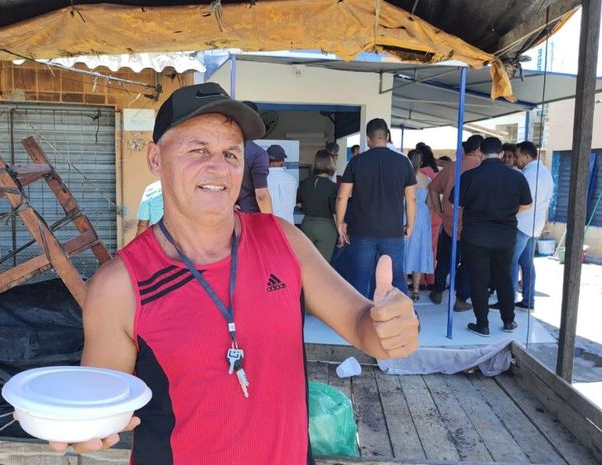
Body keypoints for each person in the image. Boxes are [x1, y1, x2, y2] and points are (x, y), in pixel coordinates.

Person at [52, 82, 419, 464]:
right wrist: (81, 428)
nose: (219, 167)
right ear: (156, 159)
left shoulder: (284, 241)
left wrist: (390, 328)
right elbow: (97, 411)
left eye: (231, 153)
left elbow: (362, 324)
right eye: (198, 150)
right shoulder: (120, 286)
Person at [451, 137, 532, 337]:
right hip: (505, 236)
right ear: (502, 153)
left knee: (479, 279)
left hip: (476, 236)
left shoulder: (470, 176)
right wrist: (507, 214)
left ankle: (482, 324)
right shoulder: (516, 177)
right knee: (504, 277)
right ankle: (508, 321)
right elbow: (527, 204)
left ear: (480, 153)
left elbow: (454, 202)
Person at [336, 118, 417, 297]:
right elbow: (411, 199)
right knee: (396, 278)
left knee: (360, 277)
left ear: (367, 139)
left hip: (361, 231)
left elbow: (342, 196)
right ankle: (406, 320)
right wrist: (410, 225)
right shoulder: (403, 162)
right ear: (387, 136)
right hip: (393, 230)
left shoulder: (356, 162)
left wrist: (340, 223)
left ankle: (359, 322)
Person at [427, 135, 483, 310]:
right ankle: (460, 299)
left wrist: (439, 210)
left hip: (450, 222)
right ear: (480, 149)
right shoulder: (482, 167)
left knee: (445, 258)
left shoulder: (452, 167)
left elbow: (433, 188)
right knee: (467, 263)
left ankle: (437, 291)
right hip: (474, 225)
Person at [510, 141, 553, 309]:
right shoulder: (545, 172)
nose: (515, 159)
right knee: (527, 264)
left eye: (518, 156)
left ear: (527, 156)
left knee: (511, 262)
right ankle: (528, 300)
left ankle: (509, 301)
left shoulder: (528, 175)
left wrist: (508, 215)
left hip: (521, 224)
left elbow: (524, 202)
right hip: (535, 225)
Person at [404, 149, 434, 300]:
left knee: (404, 250)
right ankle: (415, 290)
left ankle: (402, 287)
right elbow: (430, 203)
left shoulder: (403, 177)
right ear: (422, 162)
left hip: (405, 213)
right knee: (419, 251)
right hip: (422, 215)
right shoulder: (427, 179)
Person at [297, 149, 338, 262]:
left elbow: (299, 204)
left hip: (306, 225)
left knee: (305, 262)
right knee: (323, 266)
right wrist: (340, 232)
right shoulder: (333, 187)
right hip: (326, 227)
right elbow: (335, 212)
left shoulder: (304, 182)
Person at [236, 102, 272, 214]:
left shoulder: (221, 149)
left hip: (225, 215)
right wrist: (270, 221)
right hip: (250, 216)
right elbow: (261, 195)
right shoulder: (258, 153)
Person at [416, 142, 440, 287]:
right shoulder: (436, 171)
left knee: (421, 247)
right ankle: (431, 277)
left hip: (424, 215)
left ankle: (422, 280)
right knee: (432, 248)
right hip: (436, 214)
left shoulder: (422, 172)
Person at [266, 144, 297, 224]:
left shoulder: (262, 180)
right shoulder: (292, 180)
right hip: (288, 226)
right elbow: (293, 204)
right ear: (282, 161)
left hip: (268, 225)